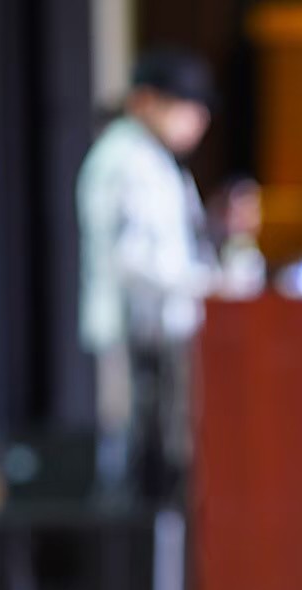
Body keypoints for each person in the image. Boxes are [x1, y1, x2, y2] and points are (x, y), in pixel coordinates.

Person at [77, 47, 226, 501]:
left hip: (159, 331)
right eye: (185, 107)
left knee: (157, 454)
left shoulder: (155, 159)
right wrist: (205, 283)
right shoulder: (125, 159)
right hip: (136, 332)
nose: (197, 121)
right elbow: (133, 257)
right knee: (136, 459)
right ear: (144, 101)